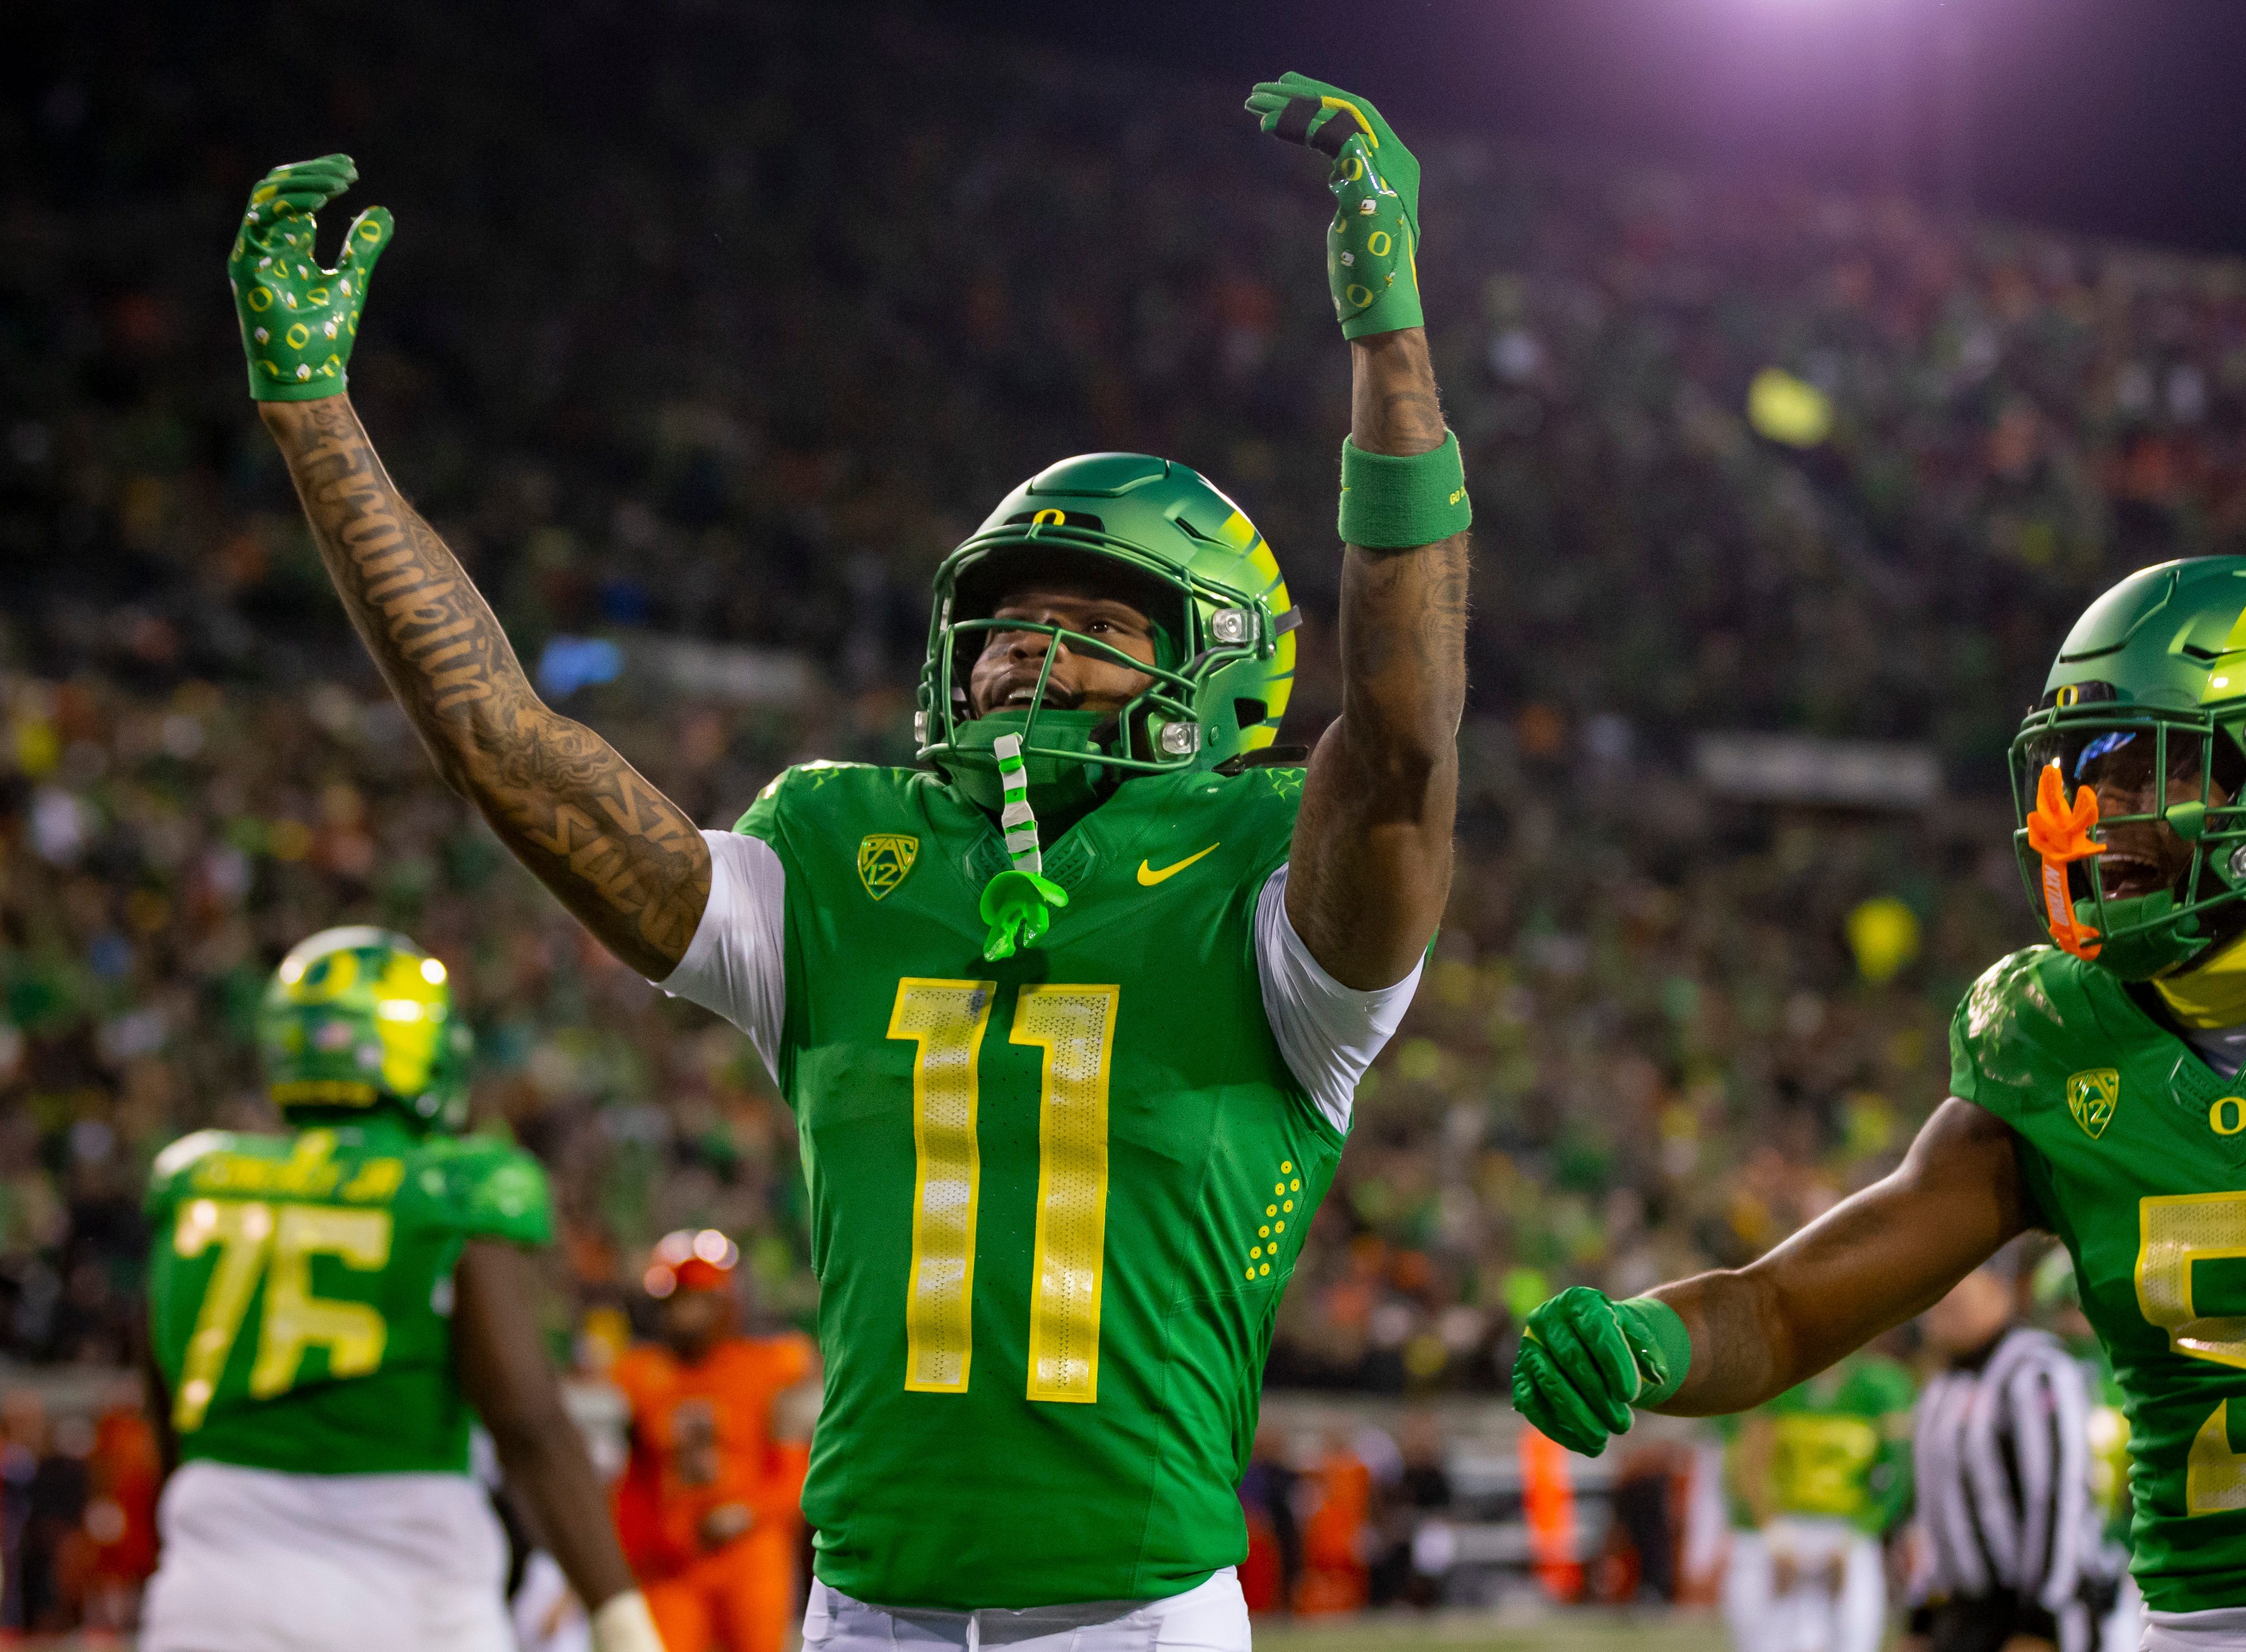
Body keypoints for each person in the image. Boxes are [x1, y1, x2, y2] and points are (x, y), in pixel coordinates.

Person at [229, 66, 1464, 1651]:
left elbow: (1405, 741)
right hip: (853, 1610)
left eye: (1092, 626)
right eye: (1006, 617)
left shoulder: (1264, 882)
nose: (1027, 653)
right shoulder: (835, 847)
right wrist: (316, 422)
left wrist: (1387, 341)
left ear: (1221, 669)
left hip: (1130, 1619)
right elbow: (513, 751)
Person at [1513, 556, 2246, 1648]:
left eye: (2143, 771)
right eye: (2084, 771)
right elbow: (1782, 1311)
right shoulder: (2058, 1034)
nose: (2091, 818)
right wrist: (1644, 1340)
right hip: (2195, 1625)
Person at [138, 927, 660, 1652]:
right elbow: (526, 1420)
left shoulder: (197, 1187)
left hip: (213, 1593)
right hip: (404, 1592)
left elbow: (170, 1403)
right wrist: (616, 1611)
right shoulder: (453, 1188)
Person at [1907, 1249, 2128, 1652]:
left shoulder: (2036, 1369)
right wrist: (1921, 1613)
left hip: (2037, 1613)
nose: (1938, 1303)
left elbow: (2059, 1497)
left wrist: (2040, 1622)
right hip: (1966, 1611)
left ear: (1996, 1289)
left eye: (1954, 1290)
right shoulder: (1942, 1384)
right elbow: (1934, 1509)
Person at [609, 1229, 814, 1652]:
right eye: (679, 1300)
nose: (688, 1314)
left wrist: (749, 1510)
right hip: (673, 1559)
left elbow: (801, 1473)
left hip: (749, 1549)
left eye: (700, 1298)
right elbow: (631, 1483)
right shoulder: (637, 1374)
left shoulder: (771, 1366)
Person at [1718, 1349, 1911, 1652]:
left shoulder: (1882, 1385)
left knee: (1856, 1634)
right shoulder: (1776, 1377)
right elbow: (1749, 1468)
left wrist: (1855, 1538)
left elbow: (1895, 1477)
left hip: (1850, 1528)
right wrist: (1773, 1536)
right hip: (1778, 1528)